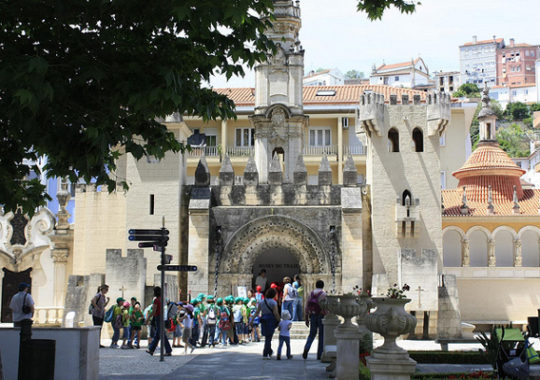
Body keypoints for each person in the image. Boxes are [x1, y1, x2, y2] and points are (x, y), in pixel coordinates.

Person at [303, 280, 326, 360]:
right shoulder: (324, 294)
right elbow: (326, 307)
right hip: (321, 315)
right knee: (321, 335)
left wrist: (306, 318)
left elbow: (307, 306)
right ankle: (319, 354)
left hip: (312, 315)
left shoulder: (311, 293)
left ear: (315, 285)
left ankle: (307, 347)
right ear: (323, 286)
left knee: (312, 334)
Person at [146, 287, 172, 356]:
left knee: (161, 335)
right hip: (162, 317)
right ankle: (151, 349)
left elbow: (154, 311)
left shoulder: (156, 300)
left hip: (158, 317)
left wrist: (148, 318)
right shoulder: (163, 299)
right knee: (157, 335)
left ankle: (168, 350)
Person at [256, 287, 281, 359]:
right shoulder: (273, 302)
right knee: (268, 337)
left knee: (267, 336)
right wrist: (279, 321)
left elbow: (257, 312)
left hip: (263, 319)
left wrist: (252, 320)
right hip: (270, 320)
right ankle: (265, 353)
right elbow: (276, 313)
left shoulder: (261, 302)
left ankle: (269, 351)